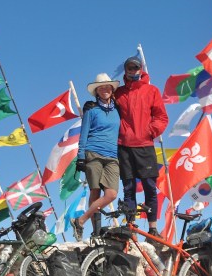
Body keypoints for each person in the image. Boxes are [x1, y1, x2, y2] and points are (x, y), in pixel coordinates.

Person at [114, 56, 169, 243]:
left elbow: (162, 117)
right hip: (124, 146)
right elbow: (108, 110)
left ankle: (153, 228)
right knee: (128, 188)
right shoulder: (118, 93)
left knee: (149, 187)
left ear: (141, 69)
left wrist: (149, 132)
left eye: (136, 68)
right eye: (130, 68)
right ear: (126, 70)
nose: (133, 71)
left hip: (145, 145)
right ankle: (131, 227)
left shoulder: (151, 90)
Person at [71, 73, 121, 241]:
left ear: (112, 89)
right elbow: (83, 135)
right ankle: (96, 232)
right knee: (95, 191)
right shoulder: (91, 110)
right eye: (101, 87)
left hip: (113, 155)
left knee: (112, 194)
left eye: (107, 86)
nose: (105, 89)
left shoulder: (118, 109)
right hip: (93, 152)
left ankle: (81, 220)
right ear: (97, 91)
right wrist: (80, 157)